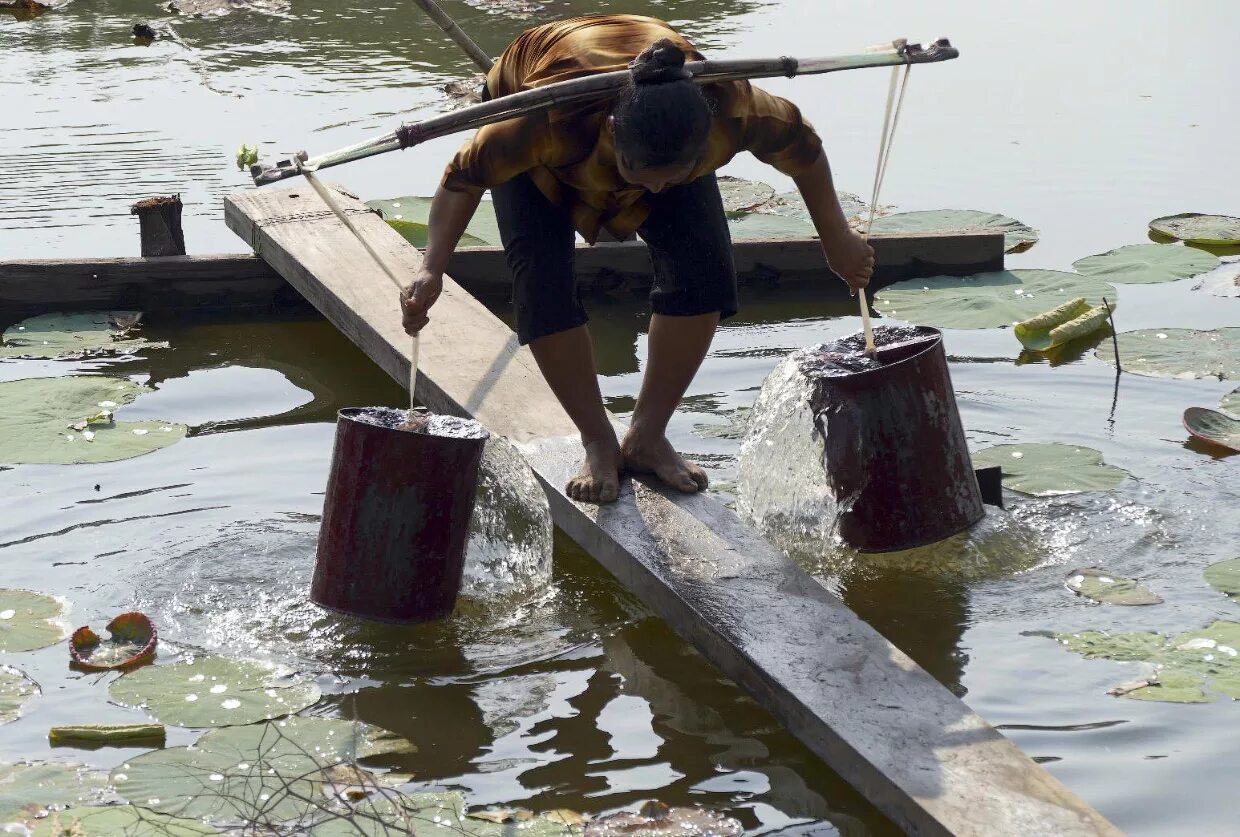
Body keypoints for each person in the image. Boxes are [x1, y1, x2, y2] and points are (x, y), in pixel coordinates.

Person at [401, 13, 873, 504]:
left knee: (702, 273)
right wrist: (432, 266)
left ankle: (648, 436)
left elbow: (806, 149)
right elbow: (462, 179)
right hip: (542, 102)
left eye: (668, 178)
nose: (651, 189)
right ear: (612, 132)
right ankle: (596, 439)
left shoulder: (733, 108)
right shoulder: (544, 122)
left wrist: (836, 238)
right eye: (638, 172)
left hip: (664, 124)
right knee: (540, 283)